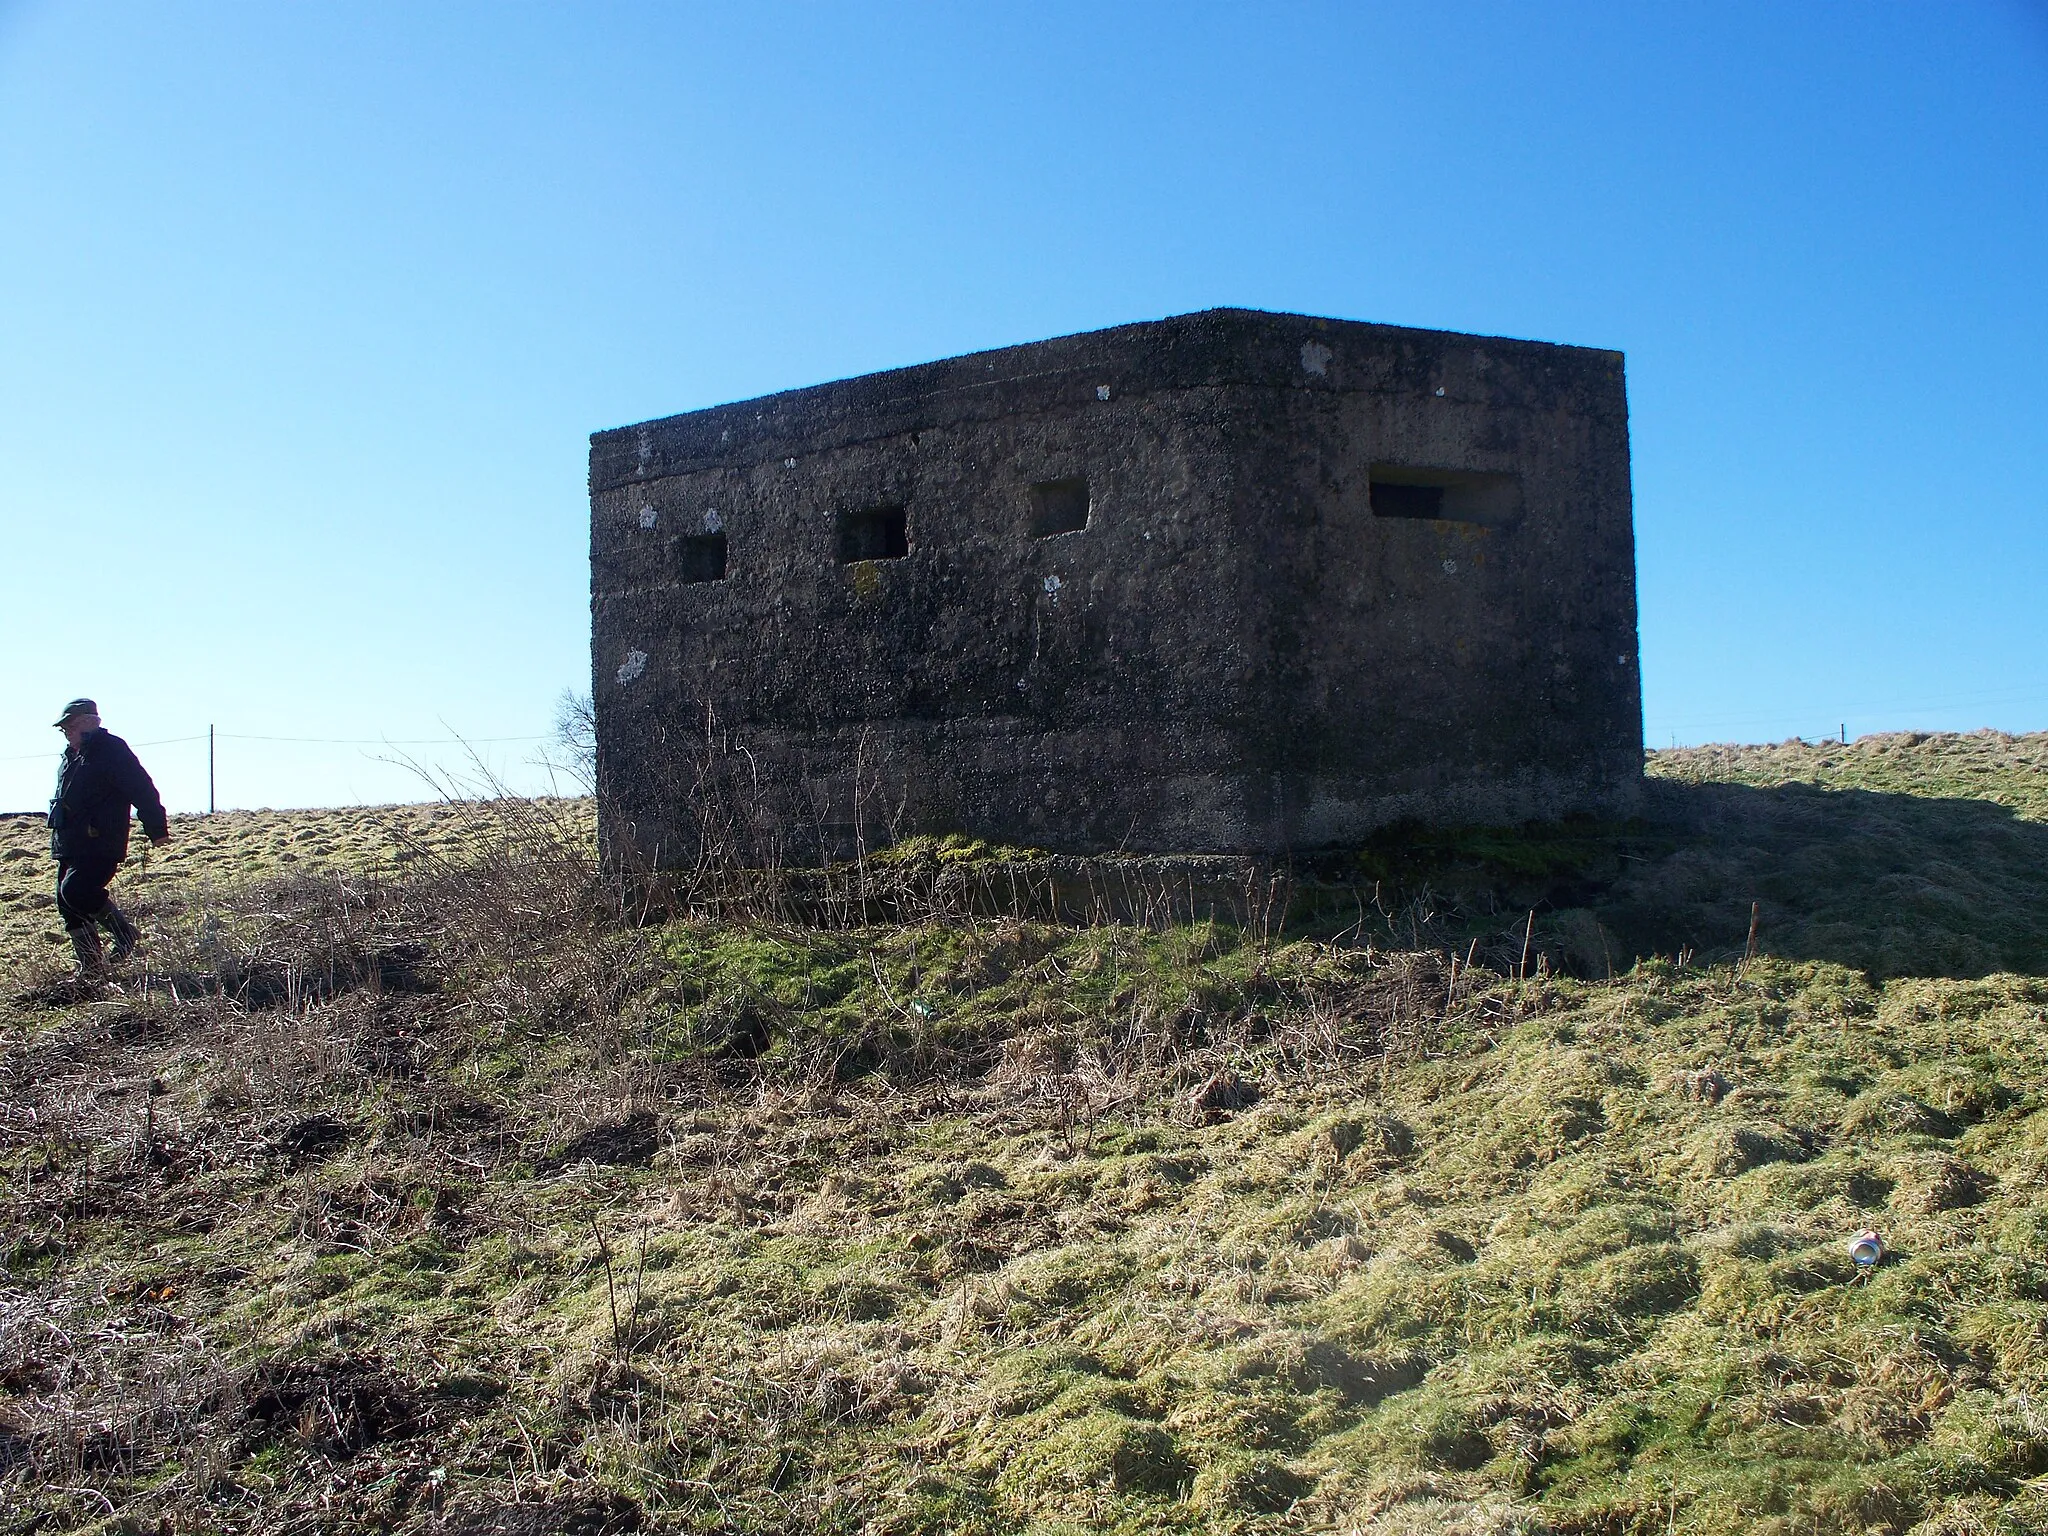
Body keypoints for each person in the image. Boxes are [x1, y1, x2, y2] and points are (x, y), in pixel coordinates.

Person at [48, 699, 169, 972]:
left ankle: (124, 933)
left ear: (92, 721)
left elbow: (142, 788)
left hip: (100, 840)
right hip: (70, 842)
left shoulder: (111, 750)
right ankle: (92, 970)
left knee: (76, 891)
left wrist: (156, 828)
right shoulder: (72, 757)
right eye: (64, 728)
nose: (67, 731)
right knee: (67, 903)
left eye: (72, 725)